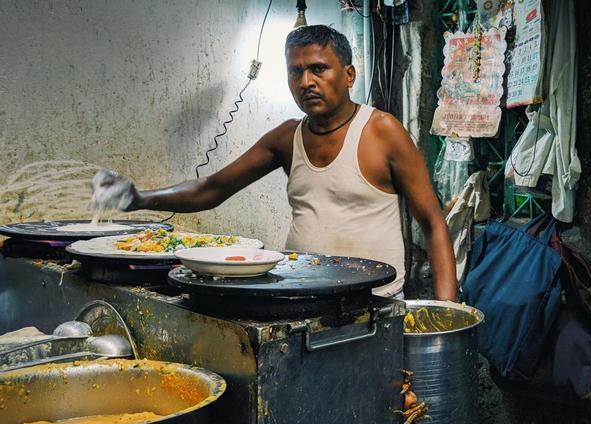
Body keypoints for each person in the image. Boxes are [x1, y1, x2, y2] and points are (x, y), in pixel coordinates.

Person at [93, 25, 457, 301]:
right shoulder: (286, 138)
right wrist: (138, 198)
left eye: (319, 69)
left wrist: (448, 313)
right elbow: (211, 189)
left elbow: (433, 223)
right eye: (295, 72)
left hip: (374, 302)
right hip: (300, 296)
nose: (306, 82)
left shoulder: (382, 132)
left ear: (348, 75)